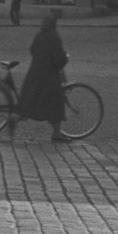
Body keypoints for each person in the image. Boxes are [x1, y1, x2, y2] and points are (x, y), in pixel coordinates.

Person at [14, 9, 73, 142]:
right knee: (57, 102)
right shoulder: (54, 36)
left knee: (28, 101)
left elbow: (32, 50)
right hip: (49, 76)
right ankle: (56, 134)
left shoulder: (39, 35)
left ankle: (15, 118)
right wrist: (64, 59)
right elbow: (59, 59)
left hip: (34, 73)